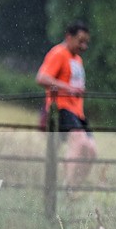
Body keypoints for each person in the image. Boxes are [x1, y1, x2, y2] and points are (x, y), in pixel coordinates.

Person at [36, 21, 97, 192]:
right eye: (80, 41)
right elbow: (41, 78)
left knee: (91, 151)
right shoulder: (58, 53)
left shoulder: (77, 59)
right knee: (79, 143)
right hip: (61, 108)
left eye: (86, 42)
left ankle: (74, 187)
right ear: (68, 37)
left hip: (77, 112)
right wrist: (68, 88)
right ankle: (67, 187)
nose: (84, 46)